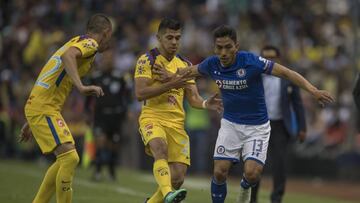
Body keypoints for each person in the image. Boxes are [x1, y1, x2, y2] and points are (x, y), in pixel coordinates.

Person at [154, 25, 333, 203]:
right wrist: (169, 75)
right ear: (214, 48)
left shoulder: (251, 62)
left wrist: (313, 90)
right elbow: (187, 72)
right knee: (219, 171)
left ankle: (245, 188)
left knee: (252, 174)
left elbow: (286, 72)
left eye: (228, 47)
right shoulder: (212, 64)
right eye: (219, 48)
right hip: (230, 125)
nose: (223, 52)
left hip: (257, 127)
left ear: (236, 47)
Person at [19, 14, 112, 203]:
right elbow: (67, 56)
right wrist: (82, 87)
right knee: (70, 158)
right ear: (106, 33)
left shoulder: (76, 41)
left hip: (43, 106)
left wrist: (31, 119)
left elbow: (51, 73)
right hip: (44, 107)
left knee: (65, 158)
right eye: (110, 37)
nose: (109, 43)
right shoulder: (90, 45)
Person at [134, 18, 222, 203]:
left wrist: (206, 104)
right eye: (169, 37)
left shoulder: (185, 65)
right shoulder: (147, 60)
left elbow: (194, 99)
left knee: (177, 178)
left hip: (177, 125)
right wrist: (172, 83)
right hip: (153, 117)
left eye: (177, 38)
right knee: (160, 149)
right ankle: (167, 195)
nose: (174, 42)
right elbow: (140, 93)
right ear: (159, 38)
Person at [250, 46, 306, 203]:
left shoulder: (287, 77)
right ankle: (252, 198)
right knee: (254, 164)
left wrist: (302, 127)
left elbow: (297, 103)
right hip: (258, 125)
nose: (269, 61)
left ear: (279, 59)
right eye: (266, 57)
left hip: (280, 126)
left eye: (272, 58)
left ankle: (277, 198)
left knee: (280, 164)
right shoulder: (254, 76)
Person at [86, 49, 131, 181]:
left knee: (114, 145)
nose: (108, 61)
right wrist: (86, 112)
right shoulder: (95, 77)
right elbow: (88, 98)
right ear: (102, 61)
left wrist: (128, 109)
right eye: (106, 59)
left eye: (110, 59)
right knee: (100, 141)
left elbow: (127, 94)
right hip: (101, 115)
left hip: (117, 115)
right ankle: (98, 171)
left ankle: (111, 170)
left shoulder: (121, 76)